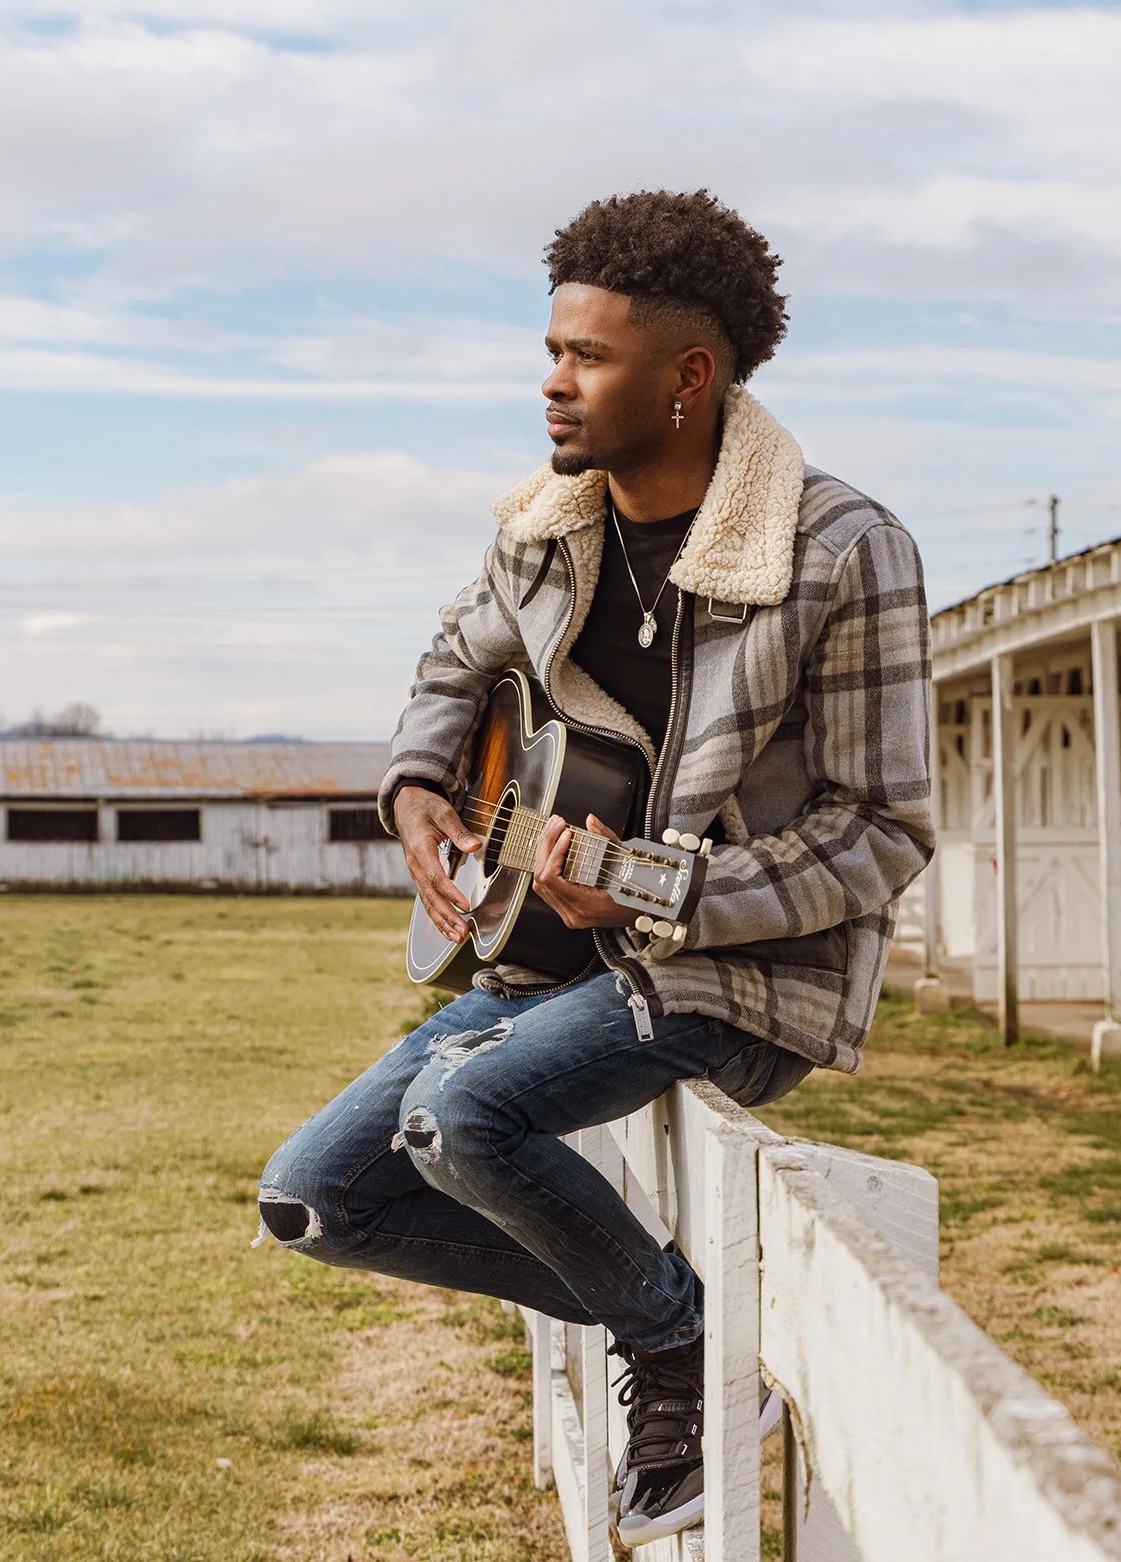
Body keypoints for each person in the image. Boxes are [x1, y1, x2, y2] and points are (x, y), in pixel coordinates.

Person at [257, 190, 933, 1546]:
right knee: (316, 1197)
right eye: (551, 346)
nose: (552, 380)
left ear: (691, 379)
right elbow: (453, 663)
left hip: (738, 975)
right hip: (549, 954)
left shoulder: (839, 551)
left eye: (588, 355)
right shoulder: (542, 528)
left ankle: (677, 1351)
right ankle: (672, 1308)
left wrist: (661, 889)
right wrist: (412, 791)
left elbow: (884, 832)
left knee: (462, 1124)